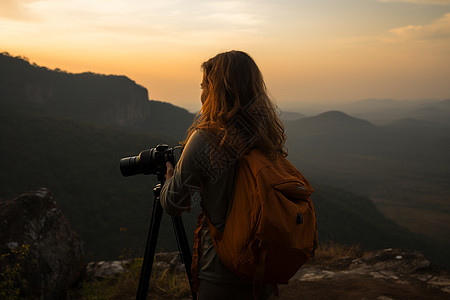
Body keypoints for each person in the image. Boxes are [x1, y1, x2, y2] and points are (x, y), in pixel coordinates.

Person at [160, 50, 286, 300]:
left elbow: (173, 203)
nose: (202, 93)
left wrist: (170, 178)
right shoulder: (266, 132)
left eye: (204, 86)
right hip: (262, 264)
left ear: (217, 90)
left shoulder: (206, 137)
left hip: (222, 269)